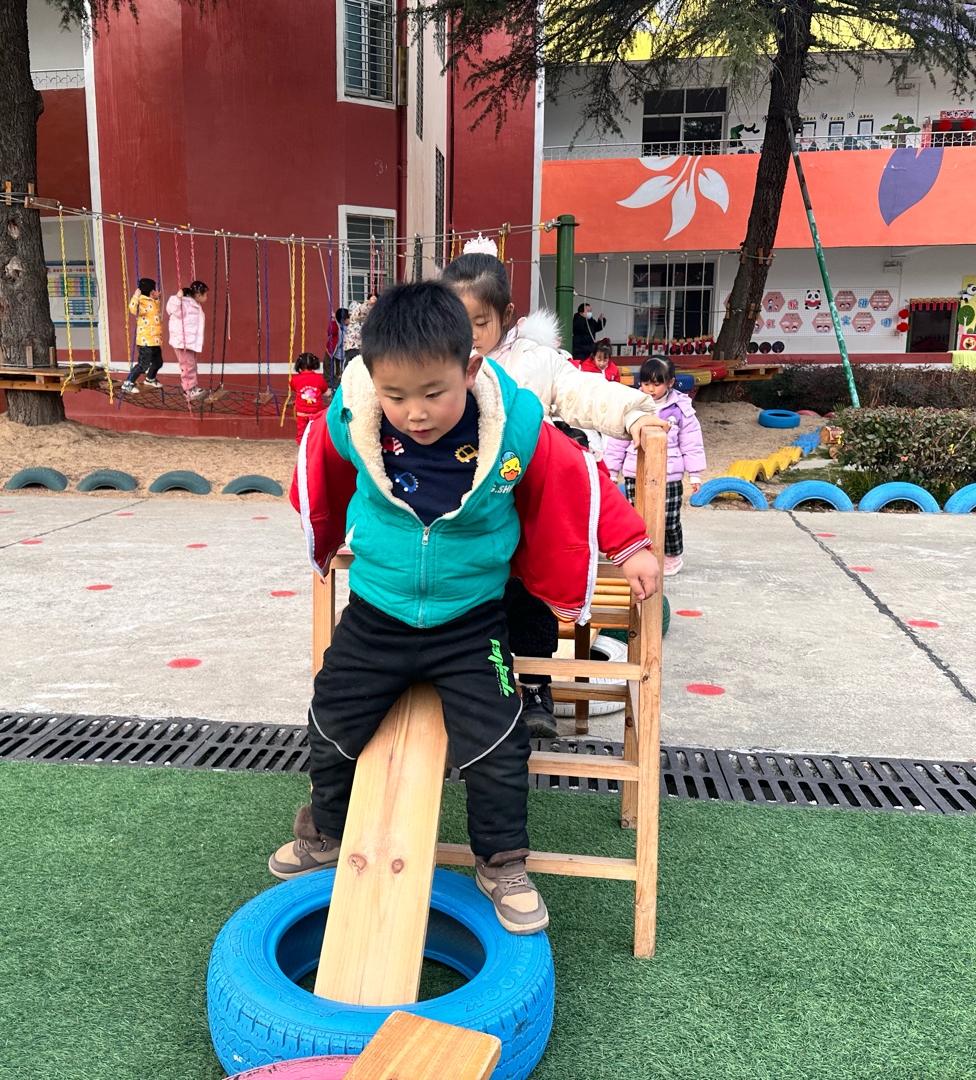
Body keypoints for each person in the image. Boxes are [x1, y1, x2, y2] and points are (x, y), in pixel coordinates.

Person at [277, 281, 661, 934]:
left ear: (472, 368)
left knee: (500, 738)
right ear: (372, 380)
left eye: (433, 393)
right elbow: (322, 464)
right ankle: (327, 831)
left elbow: (577, 477)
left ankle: (502, 862)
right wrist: (324, 521)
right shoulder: (355, 415)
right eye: (397, 396)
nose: (415, 413)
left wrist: (630, 545)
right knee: (330, 720)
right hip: (378, 613)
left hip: (472, 622)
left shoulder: (512, 427)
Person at [442, 248, 666, 738]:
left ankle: (536, 685)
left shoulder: (534, 362)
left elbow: (584, 391)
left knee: (529, 589)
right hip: (463, 514)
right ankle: (468, 689)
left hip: (524, 509)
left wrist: (635, 412)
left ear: (506, 316)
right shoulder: (437, 358)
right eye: (457, 321)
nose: (468, 335)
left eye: (479, 323)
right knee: (466, 599)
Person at [603, 357, 706, 576]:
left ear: (670, 383)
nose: (650, 389)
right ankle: (641, 554)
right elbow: (618, 439)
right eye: (645, 383)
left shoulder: (681, 408)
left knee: (669, 519)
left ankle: (672, 555)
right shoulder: (632, 404)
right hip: (635, 471)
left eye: (656, 384)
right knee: (636, 517)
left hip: (669, 474)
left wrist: (695, 474)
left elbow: (691, 441)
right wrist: (611, 471)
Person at [165, 280, 209, 401]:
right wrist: (177, 298)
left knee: (191, 365)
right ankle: (189, 390)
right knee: (187, 366)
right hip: (183, 342)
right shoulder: (184, 303)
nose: (206, 298)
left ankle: (192, 387)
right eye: (205, 295)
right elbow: (173, 309)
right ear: (199, 295)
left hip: (189, 342)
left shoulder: (194, 304)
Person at [123, 277, 164, 394]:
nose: (157, 291)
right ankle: (128, 383)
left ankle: (150, 378)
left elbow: (155, 312)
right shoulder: (141, 301)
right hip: (145, 341)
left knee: (158, 362)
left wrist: (156, 298)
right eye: (155, 290)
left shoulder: (152, 301)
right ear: (152, 291)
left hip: (154, 340)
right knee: (143, 365)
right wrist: (136, 296)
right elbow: (132, 309)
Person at [289, 351, 328, 444]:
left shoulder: (295, 379)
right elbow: (324, 389)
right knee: (316, 433)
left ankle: (303, 449)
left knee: (301, 433)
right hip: (316, 412)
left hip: (302, 412)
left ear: (299, 364)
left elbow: (293, 387)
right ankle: (315, 448)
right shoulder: (319, 378)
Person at [343, 290, 378, 360]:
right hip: (355, 348)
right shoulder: (358, 312)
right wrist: (369, 304)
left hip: (360, 349)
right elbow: (362, 312)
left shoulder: (371, 317)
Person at [326, 308, 349, 375]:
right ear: (343, 320)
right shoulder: (337, 326)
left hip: (343, 353)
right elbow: (330, 331)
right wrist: (333, 320)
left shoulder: (348, 327)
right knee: (332, 370)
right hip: (334, 352)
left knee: (341, 369)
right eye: (348, 318)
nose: (350, 320)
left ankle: (339, 377)